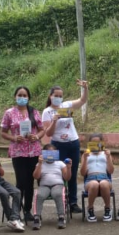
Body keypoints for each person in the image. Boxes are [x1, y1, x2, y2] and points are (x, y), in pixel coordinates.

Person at [42, 79, 89, 215]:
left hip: (73, 143)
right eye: (55, 95)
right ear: (50, 96)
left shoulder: (67, 105)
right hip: (57, 145)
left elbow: (82, 100)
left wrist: (85, 88)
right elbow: (48, 133)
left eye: (60, 96)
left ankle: (73, 202)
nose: (58, 98)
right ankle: (62, 200)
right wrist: (54, 120)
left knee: (72, 173)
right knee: (60, 173)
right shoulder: (47, 112)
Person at [1, 86, 46, 223]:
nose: (22, 97)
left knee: (30, 182)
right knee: (20, 182)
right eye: (19, 95)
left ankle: (27, 211)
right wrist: (14, 138)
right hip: (18, 152)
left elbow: (42, 130)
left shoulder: (34, 112)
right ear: (15, 97)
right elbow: (3, 132)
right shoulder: (9, 113)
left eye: (24, 95)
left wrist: (36, 137)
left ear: (28, 97)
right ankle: (16, 212)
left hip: (33, 151)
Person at [32, 144, 72, 230]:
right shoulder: (40, 164)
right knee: (39, 195)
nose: (51, 155)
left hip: (57, 184)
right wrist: (39, 164)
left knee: (57, 194)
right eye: (48, 153)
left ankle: (61, 217)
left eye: (53, 153)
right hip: (44, 185)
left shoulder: (60, 163)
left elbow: (67, 178)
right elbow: (36, 176)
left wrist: (69, 168)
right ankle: (36, 217)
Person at [80, 133, 114, 223]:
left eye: (98, 142)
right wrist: (85, 159)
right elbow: (83, 173)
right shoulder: (86, 155)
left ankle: (108, 208)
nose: (96, 144)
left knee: (103, 183)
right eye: (93, 142)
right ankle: (90, 208)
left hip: (104, 177)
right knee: (94, 184)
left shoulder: (106, 153)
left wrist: (108, 157)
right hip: (90, 178)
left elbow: (111, 171)